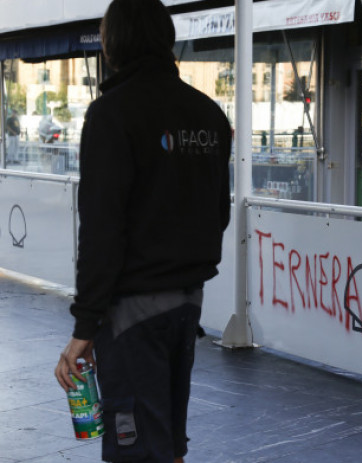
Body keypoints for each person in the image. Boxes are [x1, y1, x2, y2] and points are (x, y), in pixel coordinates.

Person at [53, 1, 232, 462]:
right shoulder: (209, 114)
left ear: (115, 41)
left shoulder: (111, 115)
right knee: (170, 441)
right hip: (188, 304)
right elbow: (221, 213)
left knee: (135, 448)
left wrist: (84, 328)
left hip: (132, 314)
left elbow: (101, 233)